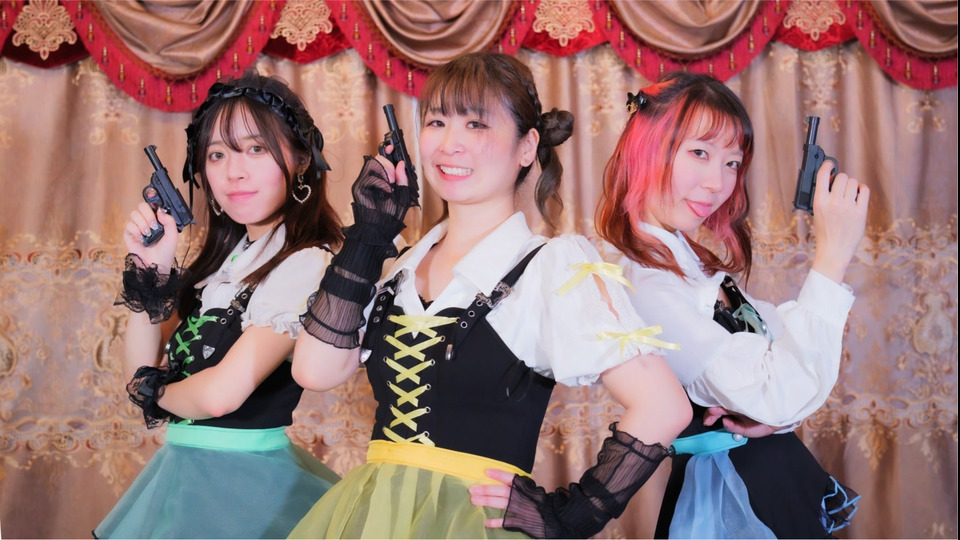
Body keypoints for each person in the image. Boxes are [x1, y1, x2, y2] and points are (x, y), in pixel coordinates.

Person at [288, 52, 691, 538]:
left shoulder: (551, 267)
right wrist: (368, 238)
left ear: (527, 147)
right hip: (372, 514)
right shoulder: (398, 266)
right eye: (437, 122)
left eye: (476, 124)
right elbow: (314, 371)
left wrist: (570, 517)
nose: (450, 144)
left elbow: (664, 406)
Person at [595, 71, 869, 538]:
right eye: (699, 153)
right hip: (730, 502)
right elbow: (779, 388)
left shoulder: (685, 260)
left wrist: (768, 419)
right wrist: (832, 257)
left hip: (759, 485)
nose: (717, 182)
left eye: (732, 162)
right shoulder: (647, 281)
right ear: (647, 147)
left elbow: (784, 373)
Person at [97, 71, 342, 538]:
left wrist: (151, 393)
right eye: (217, 154)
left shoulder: (305, 263)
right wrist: (152, 270)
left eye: (256, 149)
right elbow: (141, 368)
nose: (234, 172)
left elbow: (218, 395)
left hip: (247, 489)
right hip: (189, 476)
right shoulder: (222, 268)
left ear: (300, 160)